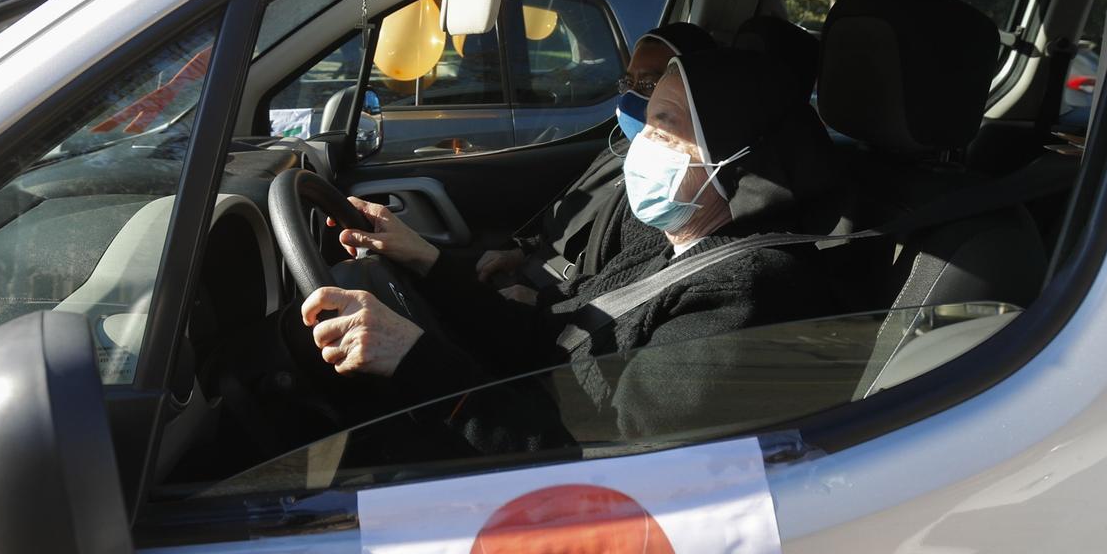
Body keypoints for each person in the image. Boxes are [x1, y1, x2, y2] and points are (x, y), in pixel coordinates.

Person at [300, 47, 831, 447]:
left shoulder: (748, 295)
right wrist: (425, 258)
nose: (641, 143)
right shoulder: (669, 237)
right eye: (647, 123)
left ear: (733, 164)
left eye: (665, 130)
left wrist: (414, 359)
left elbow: (604, 457)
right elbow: (554, 336)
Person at [471, 21, 717, 289]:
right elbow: (562, 224)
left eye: (648, 84)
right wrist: (520, 252)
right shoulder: (618, 149)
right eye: (628, 82)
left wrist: (541, 302)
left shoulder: (678, 188)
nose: (630, 96)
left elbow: (617, 289)